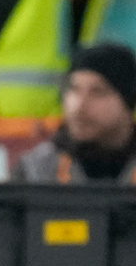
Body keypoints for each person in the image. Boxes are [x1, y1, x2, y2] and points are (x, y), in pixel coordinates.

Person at [14, 43, 136, 184]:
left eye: (98, 92)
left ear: (128, 102)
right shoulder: (35, 171)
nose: (79, 106)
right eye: (74, 89)